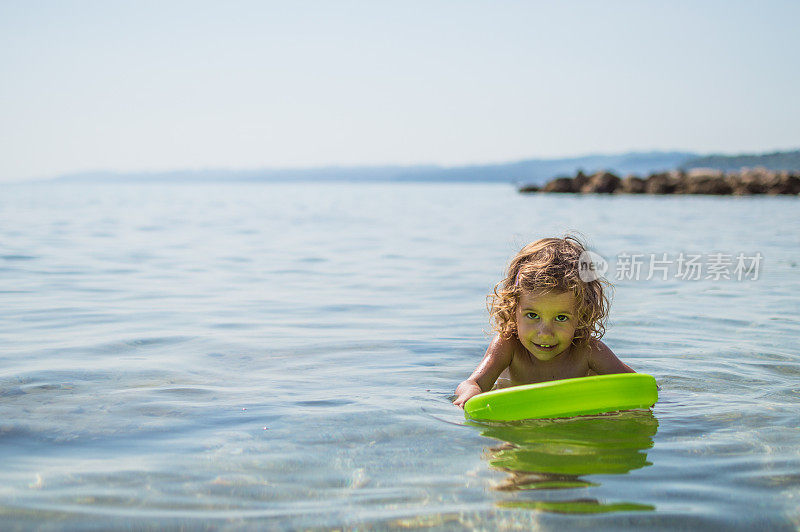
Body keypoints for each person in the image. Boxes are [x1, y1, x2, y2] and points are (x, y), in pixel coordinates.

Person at [453, 236, 634, 408]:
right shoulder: (509, 346)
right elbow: (471, 382)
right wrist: (471, 392)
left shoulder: (588, 351)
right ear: (513, 308)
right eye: (532, 315)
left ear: (582, 315)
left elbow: (636, 384)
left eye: (561, 318)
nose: (545, 333)